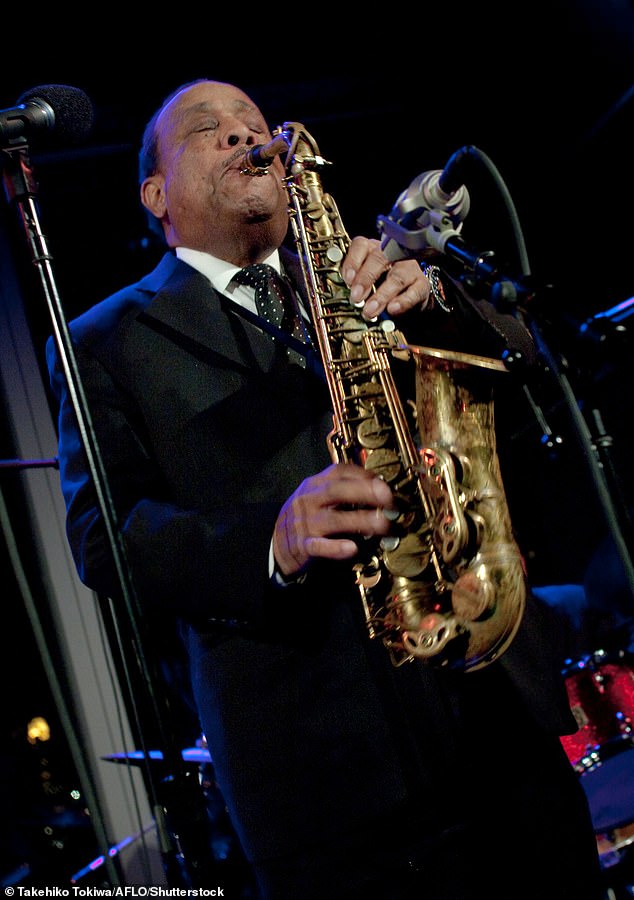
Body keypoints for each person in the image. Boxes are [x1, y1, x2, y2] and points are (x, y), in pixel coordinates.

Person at [46, 78, 605, 899]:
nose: (246, 137)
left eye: (254, 123)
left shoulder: (359, 270)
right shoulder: (101, 342)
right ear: (155, 194)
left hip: (494, 718)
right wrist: (271, 540)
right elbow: (108, 538)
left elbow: (524, 360)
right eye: (212, 131)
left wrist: (436, 295)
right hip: (328, 782)